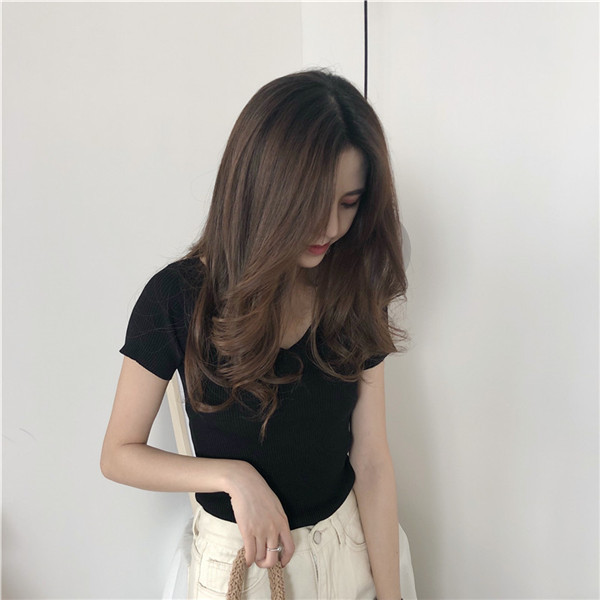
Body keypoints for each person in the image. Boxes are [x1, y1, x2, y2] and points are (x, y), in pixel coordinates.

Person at [101, 68, 418, 600]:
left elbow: (371, 459)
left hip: (348, 553)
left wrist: (391, 596)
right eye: (311, 203)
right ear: (260, 188)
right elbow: (118, 453)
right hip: (240, 567)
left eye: (348, 202)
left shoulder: (353, 287)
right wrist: (233, 477)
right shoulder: (177, 297)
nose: (330, 227)